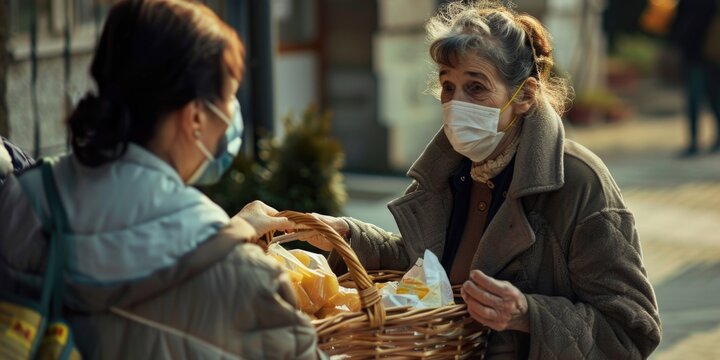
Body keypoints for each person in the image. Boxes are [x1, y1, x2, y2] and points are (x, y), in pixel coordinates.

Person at [299, 1, 662, 358]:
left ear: (525, 96)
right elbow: (428, 267)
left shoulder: (579, 182)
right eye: (448, 86)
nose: (456, 104)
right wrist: (349, 237)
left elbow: (631, 331)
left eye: (476, 87)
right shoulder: (450, 170)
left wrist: (527, 315)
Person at [0, 0, 324, 358]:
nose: (234, 114)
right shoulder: (246, 283)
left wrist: (231, 232)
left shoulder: (16, 206)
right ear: (196, 117)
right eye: (230, 97)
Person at [668, 0, 720, 156]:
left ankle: (694, 143)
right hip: (707, 57)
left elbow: (678, 26)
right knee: (710, 99)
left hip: (702, 57)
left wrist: (674, 45)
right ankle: (697, 141)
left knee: (698, 100)